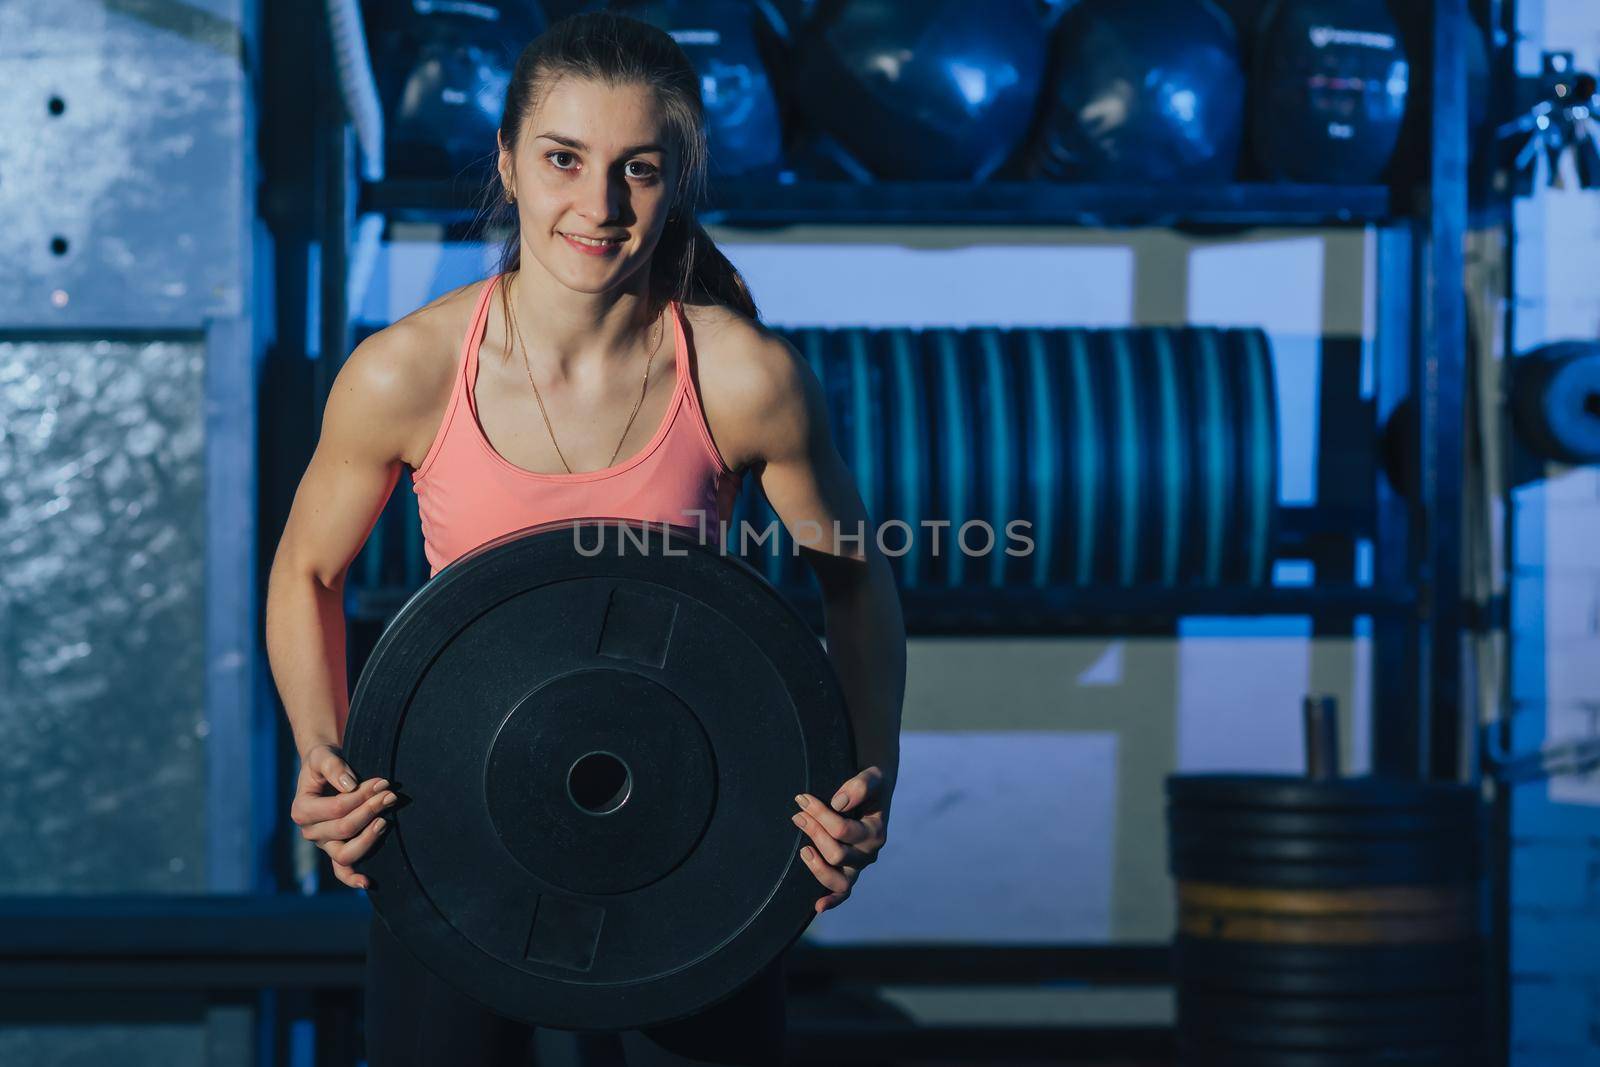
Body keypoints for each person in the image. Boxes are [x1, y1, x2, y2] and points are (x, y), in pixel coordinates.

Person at [264, 12, 906, 1066]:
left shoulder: (742, 377)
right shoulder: (407, 372)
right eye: (564, 159)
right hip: (449, 818)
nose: (598, 206)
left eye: (637, 169)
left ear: (674, 181)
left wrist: (864, 777)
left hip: (696, 823)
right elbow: (306, 569)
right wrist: (324, 752)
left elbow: (855, 578)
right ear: (510, 162)